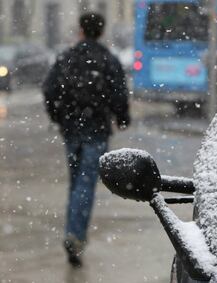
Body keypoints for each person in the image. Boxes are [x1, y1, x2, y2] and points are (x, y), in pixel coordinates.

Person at [42, 12, 130, 267]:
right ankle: (76, 235)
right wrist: (121, 116)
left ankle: (73, 231)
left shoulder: (67, 58)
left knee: (76, 181)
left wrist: (58, 115)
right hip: (97, 129)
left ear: (81, 29)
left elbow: (49, 89)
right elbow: (119, 92)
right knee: (86, 182)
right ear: (101, 32)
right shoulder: (107, 59)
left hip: (71, 128)